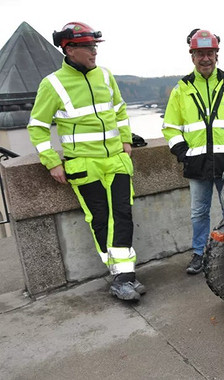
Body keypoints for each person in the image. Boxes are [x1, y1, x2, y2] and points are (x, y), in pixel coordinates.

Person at [27, 22, 145, 301]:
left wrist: (126, 139)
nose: (94, 52)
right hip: (83, 164)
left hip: (116, 159)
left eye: (95, 46)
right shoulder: (52, 84)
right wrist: (51, 161)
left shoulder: (104, 75)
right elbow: (37, 126)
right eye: (89, 47)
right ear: (69, 49)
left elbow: (120, 110)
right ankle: (121, 276)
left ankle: (124, 276)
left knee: (123, 214)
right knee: (100, 219)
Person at [162, 29, 224, 274]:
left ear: (217, 55)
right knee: (199, 212)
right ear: (192, 56)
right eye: (200, 54)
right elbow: (170, 126)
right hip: (196, 163)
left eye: (210, 53)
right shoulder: (181, 89)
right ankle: (199, 253)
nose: (205, 58)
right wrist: (182, 152)